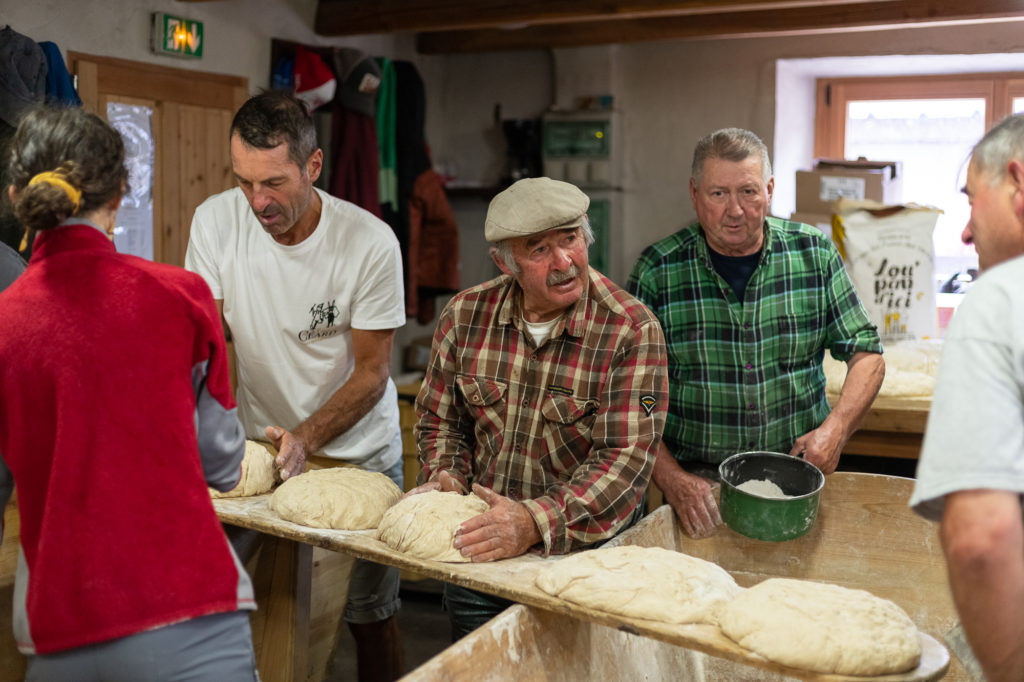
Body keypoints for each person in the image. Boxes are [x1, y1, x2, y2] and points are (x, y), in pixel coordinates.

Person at [0, 107, 256, 680]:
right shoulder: (182, 298)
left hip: (57, 625)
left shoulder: (2, 322)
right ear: (119, 193)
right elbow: (223, 464)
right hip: (186, 612)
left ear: (18, 194)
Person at [185, 90, 406, 681]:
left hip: (359, 457)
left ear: (313, 166)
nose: (258, 202)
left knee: (369, 616)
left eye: (274, 184)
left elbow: (372, 371)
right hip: (262, 451)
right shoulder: (215, 221)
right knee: (236, 594)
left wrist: (306, 436)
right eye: (244, 182)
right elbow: (206, 345)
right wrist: (197, 434)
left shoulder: (369, 243)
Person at [411, 176, 668, 639]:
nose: (564, 261)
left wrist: (533, 522)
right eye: (538, 249)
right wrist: (445, 475)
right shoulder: (464, 316)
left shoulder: (631, 330)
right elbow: (440, 420)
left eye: (570, 238)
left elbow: (624, 460)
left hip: (583, 568)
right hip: (480, 562)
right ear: (504, 262)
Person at [628, 127, 884, 539]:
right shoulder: (658, 271)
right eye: (718, 194)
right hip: (699, 491)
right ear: (694, 195)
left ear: (769, 190)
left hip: (800, 479)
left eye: (748, 192)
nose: (734, 210)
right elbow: (633, 394)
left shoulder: (813, 255)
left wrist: (836, 429)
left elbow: (866, 354)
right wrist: (671, 477)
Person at [910, 112, 1024, 682]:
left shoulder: (1000, 299)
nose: (964, 232)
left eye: (971, 201)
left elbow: (982, 537)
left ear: (1018, 183)